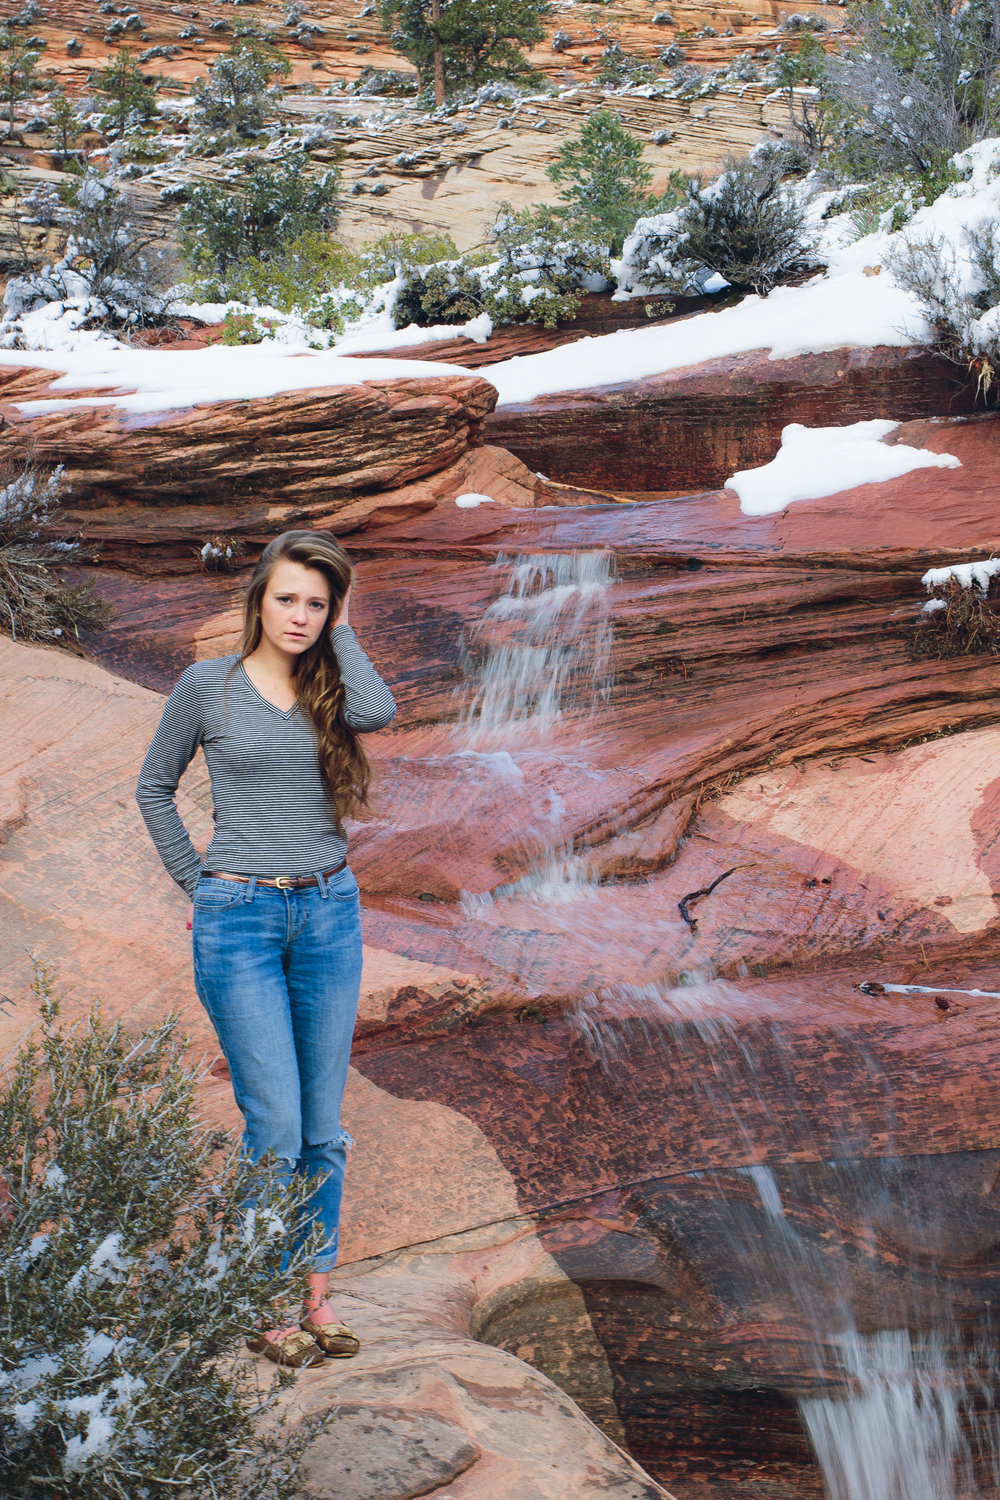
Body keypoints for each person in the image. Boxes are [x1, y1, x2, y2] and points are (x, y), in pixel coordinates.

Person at [136, 530, 396, 1368]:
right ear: (257, 599)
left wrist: (345, 629)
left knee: (324, 1129)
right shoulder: (205, 686)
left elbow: (379, 712)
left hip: (328, 914)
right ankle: (261, 1300)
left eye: (317, 603)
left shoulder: (331, 687)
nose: (300, 615)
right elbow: (153, 788)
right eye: (287, 597)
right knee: (276, 1125)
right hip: (240, 918)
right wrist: (200, 883)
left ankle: (315, 1300)